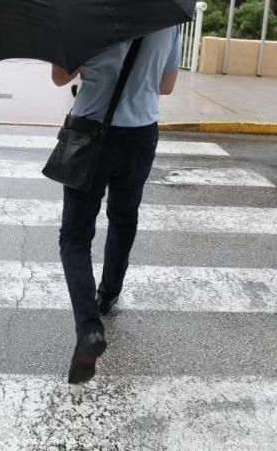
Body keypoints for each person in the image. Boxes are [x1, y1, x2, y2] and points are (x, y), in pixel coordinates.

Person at [50, 25, 181, 385]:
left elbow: (59, 77)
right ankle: (108, 293)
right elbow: (166, 85)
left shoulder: (85, 10)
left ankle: (89, 328)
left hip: (90, 132)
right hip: (140, 134)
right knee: (124, 217)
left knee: (75, 236)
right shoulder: (169, 16)